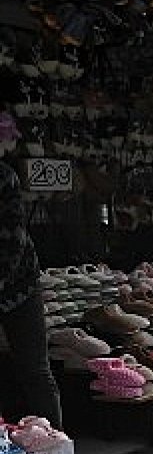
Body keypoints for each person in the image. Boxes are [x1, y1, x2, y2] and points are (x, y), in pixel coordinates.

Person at [0, 160, 62, 427]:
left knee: (35, 368)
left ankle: (57, 443)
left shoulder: (4, 176)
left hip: (19, 284)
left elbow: (14, 236)